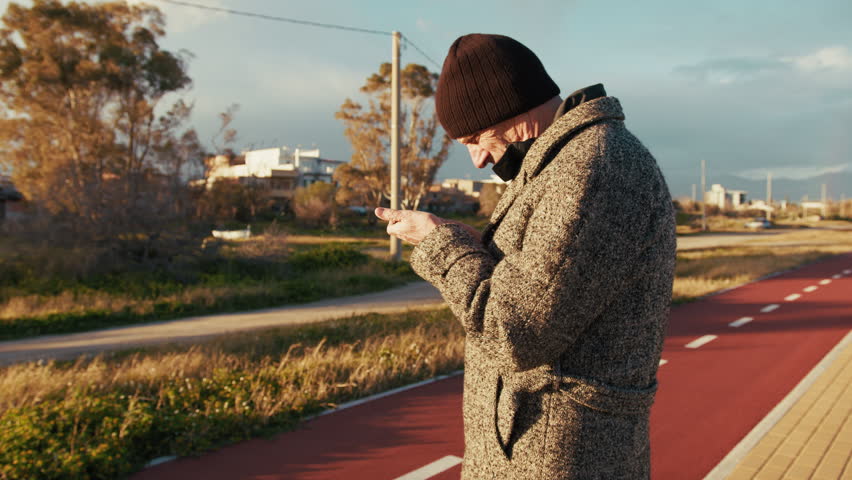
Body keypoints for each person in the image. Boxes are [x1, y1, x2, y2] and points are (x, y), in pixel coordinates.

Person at [375, 33, 675, 479]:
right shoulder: (559, 163)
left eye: (475, 138)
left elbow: (515, 330)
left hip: (556, 454)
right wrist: (474, 245)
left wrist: (442, 245)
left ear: (512, 110)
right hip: (541, 447)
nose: (477, 160)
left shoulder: (589, 169)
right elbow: (544, 279)